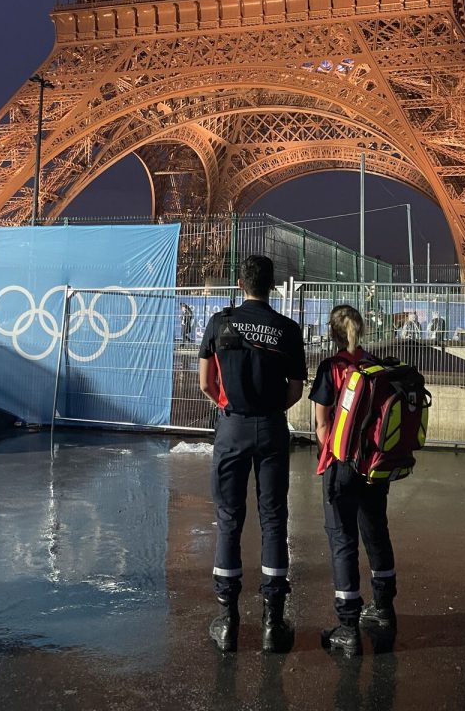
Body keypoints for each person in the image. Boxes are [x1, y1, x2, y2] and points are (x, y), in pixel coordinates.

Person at [198, 255, 307, 653]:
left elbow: (206, 383)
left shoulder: (219, 322)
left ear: (240, 283)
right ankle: (273, 624)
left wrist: (228, 408)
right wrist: (270, 411)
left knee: (228, 518)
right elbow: (295, 390)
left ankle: (227, 621)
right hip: (272, 425)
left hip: (231, 426)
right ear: (272, 285)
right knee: (274, 518)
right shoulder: (288, 329)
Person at [310, 305, 398, 657]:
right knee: (376, 531)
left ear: (332, 334)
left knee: (343, 540)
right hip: (374, 468)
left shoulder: (330, 368)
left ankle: (347, 627)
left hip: (341, 467)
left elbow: (321, 426)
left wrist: (335, 453)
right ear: (362, 332)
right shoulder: (376, 366)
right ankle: (383, 608)